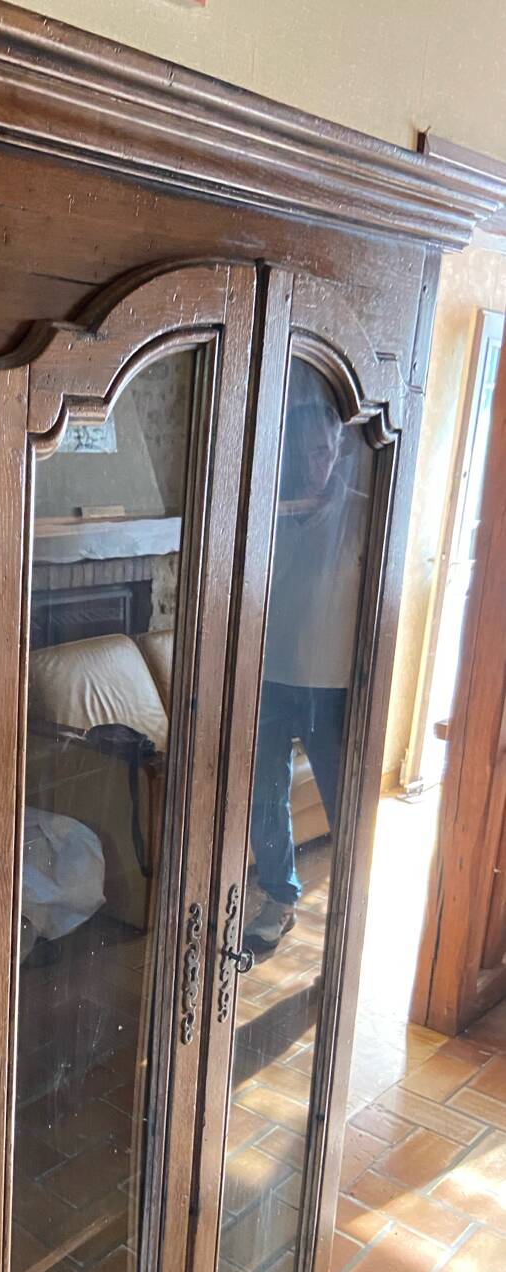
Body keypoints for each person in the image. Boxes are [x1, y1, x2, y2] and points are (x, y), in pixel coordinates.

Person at [243, 367, 369, 954]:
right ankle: (279, 899)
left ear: (339, 447)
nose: (313, 464)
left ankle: (349, 908)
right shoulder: (274, 509)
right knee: (263, 796)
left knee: (346, 799)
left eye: (322, 451)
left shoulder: (366, 514)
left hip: (332, 686)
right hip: (269, 678)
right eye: (302, 452)